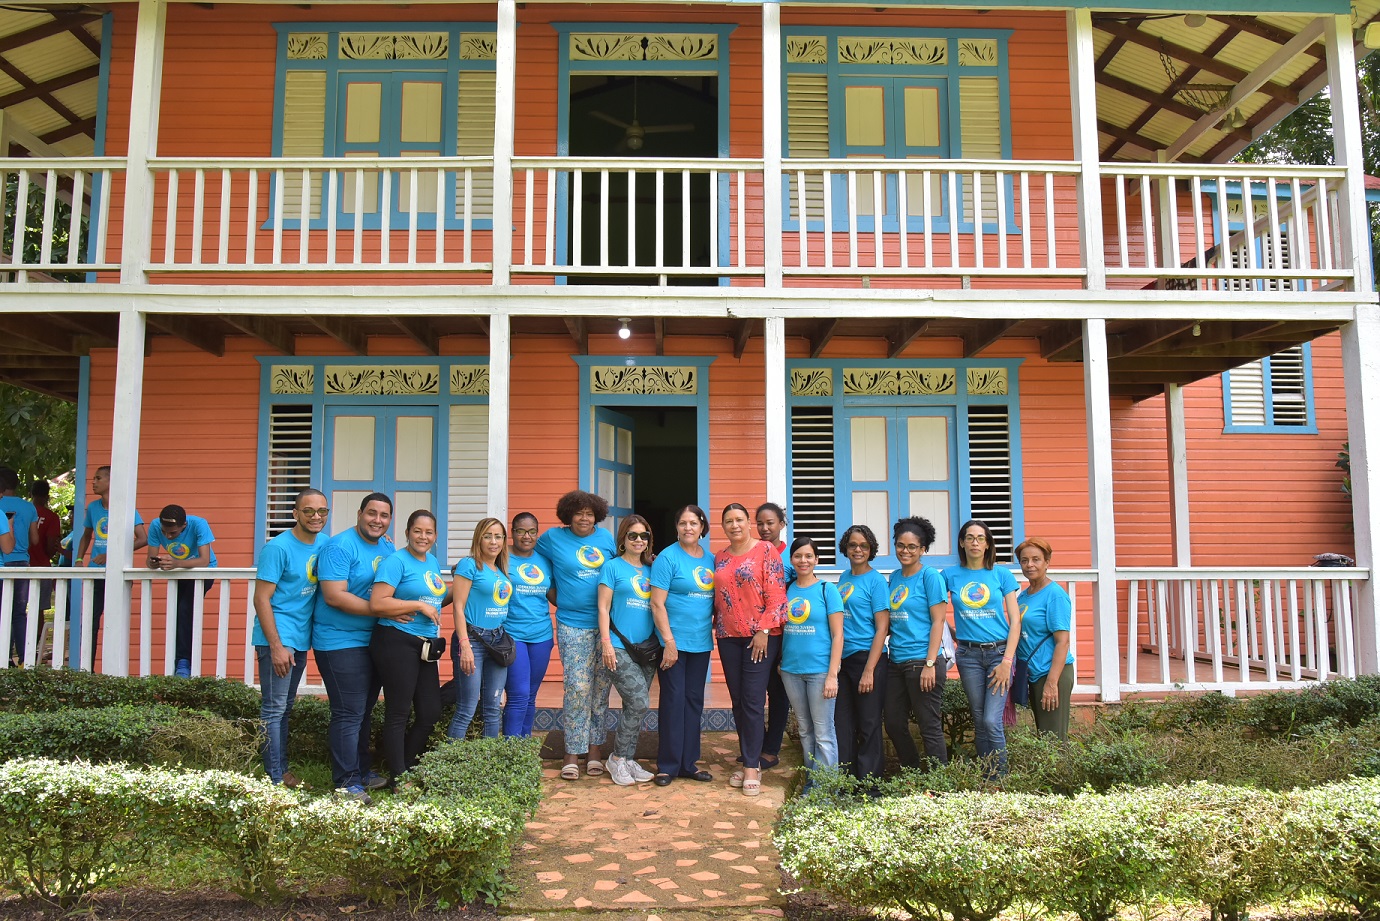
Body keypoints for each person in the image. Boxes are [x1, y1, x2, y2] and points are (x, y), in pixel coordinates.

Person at [313, 492, 395, 801]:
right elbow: (334, 596)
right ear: (360, 513)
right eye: (372, 513)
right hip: (339, 641)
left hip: (373, 640)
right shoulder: (340, 546)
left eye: (384, 515)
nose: (377, 520)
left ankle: (361, 772)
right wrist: (381, 609)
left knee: (363, 710)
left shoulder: (387, 547)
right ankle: (346, 782)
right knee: (348, 712)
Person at [535, 490, 617, 781]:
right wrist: (557, 595)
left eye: (590, 513)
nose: (584, 518)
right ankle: (572, 752)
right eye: (578, 512)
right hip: (572, 624)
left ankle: (595, 750)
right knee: (577, 687)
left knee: (600, 689)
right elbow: (530, 560)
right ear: (568, 514)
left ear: (598, 515)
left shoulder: (607, 539)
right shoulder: (552, 538)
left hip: (607, 626)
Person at [251, 487, 329, 786]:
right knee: (274, 708)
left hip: (299, 636)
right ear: (295, 513)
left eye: (322, 511)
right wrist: (276, 645)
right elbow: (261, 599)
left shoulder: (323, 544)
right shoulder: (278, 548)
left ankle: (281, 771)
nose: (316, 516)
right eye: (308, 511)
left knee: (285, 707)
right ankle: (274, 778)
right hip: (278, 637)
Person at [713, 503, 788, 797]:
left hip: (761, 637)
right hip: (728, 636)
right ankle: (749, 756)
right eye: (729, 521)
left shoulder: (766, 551)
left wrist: (764, 631)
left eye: (740, 520)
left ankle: (751, 768)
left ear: (748, 523)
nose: (735, 525)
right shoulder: (719, 557)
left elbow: (777, 595)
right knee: (738, 702)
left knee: (754, 700)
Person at [370, 509, 450, 781]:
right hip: (396, 641)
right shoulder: (396, 561)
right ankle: (398, 776)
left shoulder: (432, 562)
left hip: (425, 645)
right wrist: (417, 605)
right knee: (399, 710)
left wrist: (467, 584)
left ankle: (404, 763)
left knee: (430, 711)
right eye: (417, 531)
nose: (423, 536)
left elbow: (436, 599)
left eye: (428, 532)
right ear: (407, 533)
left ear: (436, 536)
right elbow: (378, 602)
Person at [945, 519, 1022, 776]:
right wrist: (950, 632)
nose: (975, 542)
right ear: (962, 542)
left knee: (991, 720)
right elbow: (929, 610)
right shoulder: (950, 575)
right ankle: (986, 775)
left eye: (980, 538)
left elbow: (1015, 622)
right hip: (968, 656)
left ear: (988, 544)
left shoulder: (1001, 575)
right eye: (970, 537)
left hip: (999, 654)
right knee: (979, 720)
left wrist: (1007, 661)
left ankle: (1001, 778)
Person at [649, 504, 715, 785]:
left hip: (701, 642)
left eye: (693, 523)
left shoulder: (710, 559)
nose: (688, 528)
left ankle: (689, 763)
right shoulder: (667, 557)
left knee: (693, 702)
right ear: (677, 527)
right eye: (683, 523)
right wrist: (669, 642)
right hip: (673, 642)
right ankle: (667, 765)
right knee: (673, 701)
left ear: (702, 527)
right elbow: (657, 603)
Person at [884, 516, 955, 769]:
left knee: (929, 725)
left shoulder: (930, 577)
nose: (905, 551)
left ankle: (939, 784)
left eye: (912, 546)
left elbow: (938, 621)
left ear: (923, 549)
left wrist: (930, 663)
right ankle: (913, 772)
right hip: (896, 660)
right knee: (892, 722)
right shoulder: (893, 578)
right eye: (901, 545)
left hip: (922, 661)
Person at [597, 514, 660, 786]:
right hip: (620, 646)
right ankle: (618, 759)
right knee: (638, 701)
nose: (638, 540)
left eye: (643, 535)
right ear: (623, 539)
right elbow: (602, 607)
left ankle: (629, 759)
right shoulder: (612, 567)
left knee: (634, 707)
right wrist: (606, 643)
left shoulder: (653, 569)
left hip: (647, 648)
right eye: (632, 535)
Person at [781, 536, 844, 788]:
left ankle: (826, 791)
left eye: (808, 556)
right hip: (790, 671)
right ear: (792, 560)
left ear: (816, 560)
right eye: (798, 556)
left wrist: (832, 674)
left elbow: (838, 635)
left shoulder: (827, 590)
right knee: (805, 731)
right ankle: (811, 785)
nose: (803, 560)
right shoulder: (786, 589)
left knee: (824, 733)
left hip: (819, 671)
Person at [75, 465, 147, 669]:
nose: (93, 482)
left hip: (117, 574)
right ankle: (87, 670)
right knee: (90, 620)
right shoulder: (93, 507)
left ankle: (114, 670)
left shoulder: (126, 507)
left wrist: (112, 555)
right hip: (95, 572)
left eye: (98, 478)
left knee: (115, 622)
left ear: (110, 482)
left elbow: (143, 539)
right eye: (93, 478)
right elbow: (87, 535)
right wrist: (79, 560)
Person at [833, 524, 890, 781]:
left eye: (864, 546)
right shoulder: (844, 578)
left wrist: (869, 670)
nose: (858, 549)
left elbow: (882, 628)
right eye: (853, 545)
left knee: (868, 724)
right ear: (845, 547)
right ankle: (846, 780)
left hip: (868, 658)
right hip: (843, 661)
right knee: (843, 724)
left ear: (871, 550)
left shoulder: (876, 581)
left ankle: (870, 784)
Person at [450, 517, 513, 739]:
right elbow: (458, 607)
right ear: (479, 539)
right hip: (473, 639)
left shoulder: (500, 570)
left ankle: (487, 763)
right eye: (487, 536)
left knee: (493, 707)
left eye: (498, 536)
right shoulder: (469, 565)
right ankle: (452, 764)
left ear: (504, 540)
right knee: (467, 707)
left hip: (497, 641)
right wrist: (465, 645)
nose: (493, 541)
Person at [146, 504, 218, 678]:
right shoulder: (155, 525)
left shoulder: (199, 524)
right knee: (178, 614)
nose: (168, 537)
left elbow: (204, 560)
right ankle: (181, 661)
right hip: (178, 573)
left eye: (173, 533)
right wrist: (155, 563)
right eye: (165, 532)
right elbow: (149, 560)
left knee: (185, 610)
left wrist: (176, 563)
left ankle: (184, 662)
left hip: (201, 574)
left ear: (184, 526)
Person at [1015, 538, 1075, 740]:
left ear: (1047, 562)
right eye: (1024, 560)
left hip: (1051, 673)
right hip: (1033, 674)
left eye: (1036, 559)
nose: (1029, 564)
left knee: (1053, 739)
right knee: (1044, 735)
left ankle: (1061, 773)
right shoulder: (1023, 596)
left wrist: (1051, 683)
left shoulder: (1055, 595)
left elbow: (1062, 642)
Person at [503, 512, 554, 737]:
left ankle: (524, 747)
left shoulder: (544, 559)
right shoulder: (501, 557)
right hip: (512, 633)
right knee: (519, 693)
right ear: (512, 532)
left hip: (541, 635)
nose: (526, 536)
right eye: (521, 531)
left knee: (531, 694)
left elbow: (553, 593)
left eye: (532, 531)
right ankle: (511, 750)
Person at [754, 502, 791, 770]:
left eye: (770, 523)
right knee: (755, 690)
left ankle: (771, 747)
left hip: (786, 633)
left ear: (781, 524)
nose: (765, 528)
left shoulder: (792, 554)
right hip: (758, 633)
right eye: (761, 523)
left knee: (778, 692)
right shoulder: (753, 552)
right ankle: (755, 744)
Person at [0, 467, 38, 664]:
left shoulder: (0, 505)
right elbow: (35, 539)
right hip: (21, 561)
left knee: (1, 610)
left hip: (3, 562)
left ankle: (4, 657)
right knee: (18, 612)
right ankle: (24, 658)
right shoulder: (29, 507)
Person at [28, 480, 61, 619]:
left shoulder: (23, 512)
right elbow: (50, 544)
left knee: (14, 608)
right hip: (41, 567)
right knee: (38, 611)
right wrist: (51, 553)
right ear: (47, 496)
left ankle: (13, 640)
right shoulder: (51, 517)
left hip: (20, 564)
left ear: (30, 494)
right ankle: (35, 641)